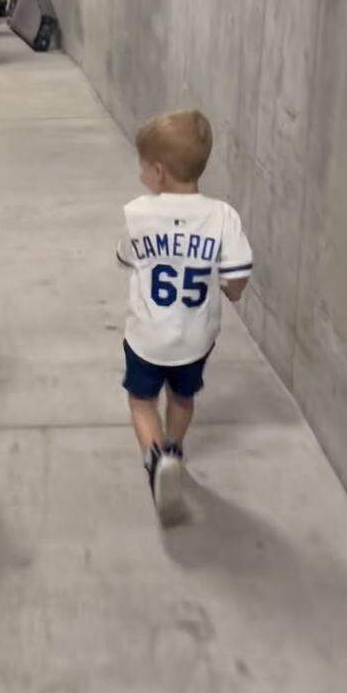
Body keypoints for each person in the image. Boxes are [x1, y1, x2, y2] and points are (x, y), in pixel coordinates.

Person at [116, 110, 253, 522]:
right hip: (195, 338)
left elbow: (125, 258)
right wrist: (231, 292)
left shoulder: (137, 214)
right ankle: (174, 446)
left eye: (143, 165)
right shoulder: (222, 216)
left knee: (141, 402)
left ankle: (155, 461)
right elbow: (238, 275)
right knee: (182, 396)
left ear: (157, 172)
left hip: (146, 336)